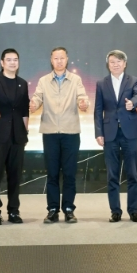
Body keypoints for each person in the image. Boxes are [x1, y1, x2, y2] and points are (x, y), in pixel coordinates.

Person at [30, 47, 89, 224]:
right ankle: (53, 210)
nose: (59, 61)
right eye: (56, 58)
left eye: (62, 58)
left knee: (70, 173)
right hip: (50, 133)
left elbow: (82, 97)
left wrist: (83, 103)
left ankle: (69, 209)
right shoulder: (43, 81)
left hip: (70, 132)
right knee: (52, 173)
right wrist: (33, 104)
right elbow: (37, 97)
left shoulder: (76, 80)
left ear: (67, 59)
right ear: (51, 60)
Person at [94, 50, 137, 223]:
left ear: (125, 64)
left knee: (132, 174)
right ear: (108, 64)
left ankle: (134, 211)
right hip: (110, 133)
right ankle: (115, 211)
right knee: (112, 175)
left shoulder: (133, 80)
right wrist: (98, 132)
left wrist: (133, 103)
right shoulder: (101, 83)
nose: (115, 64)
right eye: (112, 62)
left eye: (119, 61)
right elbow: (98, 110)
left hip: (130, 132)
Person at [0, 49, 30, 225]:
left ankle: (13, 210)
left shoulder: (22, 83)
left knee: (15, 175)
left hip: (17, 136)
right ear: (2, 62)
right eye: (9, 60)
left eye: (15, 59)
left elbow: (24, 110)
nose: (12, 62)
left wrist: (25, 130)